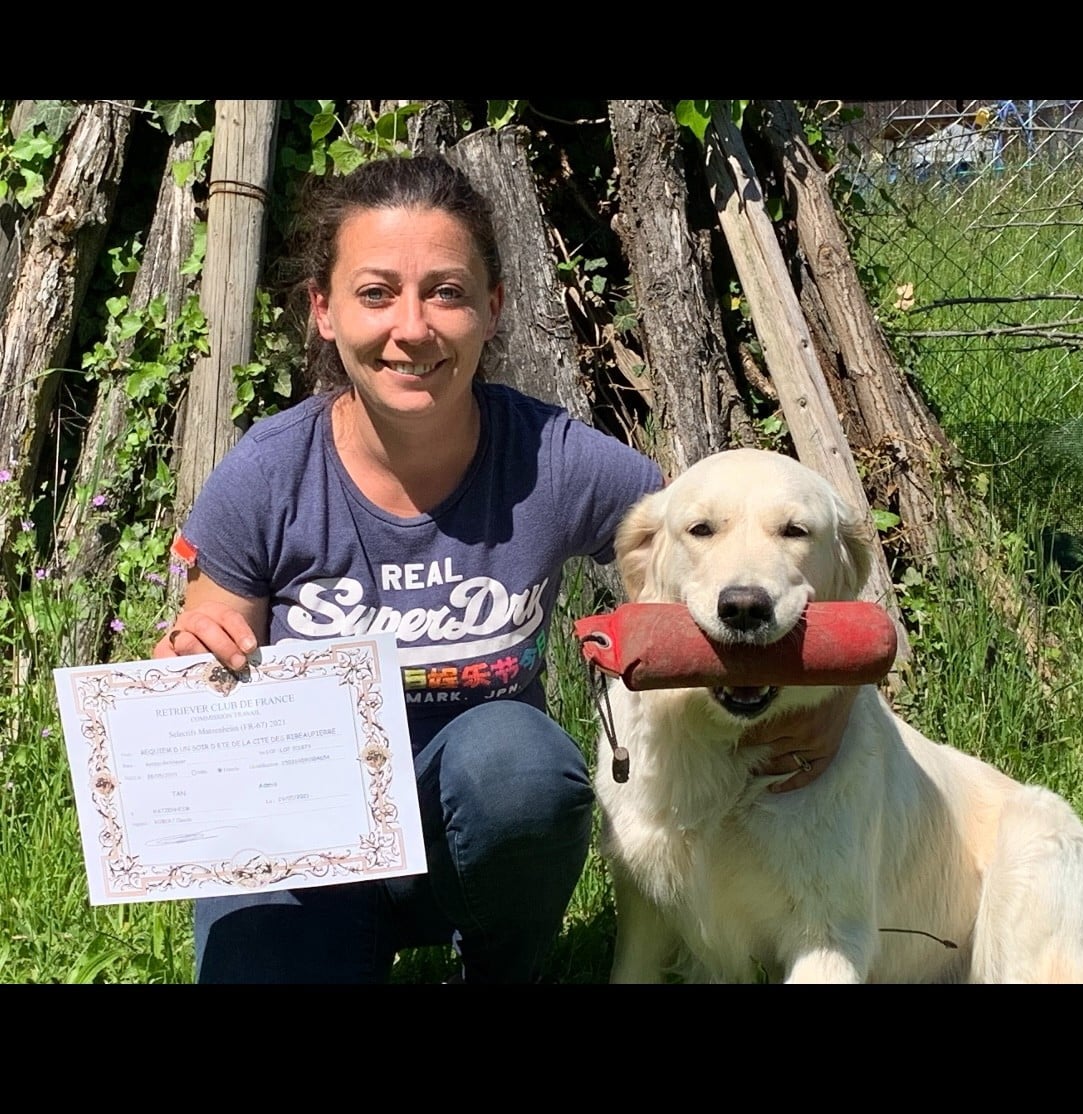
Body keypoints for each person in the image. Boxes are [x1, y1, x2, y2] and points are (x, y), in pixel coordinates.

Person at [154, 154, 854, 983]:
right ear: (324, 311)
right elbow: (213, 664)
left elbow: (715, 550)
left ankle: (493, 968)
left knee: (517, 763)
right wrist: (195, 661)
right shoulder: (266, 475)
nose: (411, 327)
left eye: (445, 292)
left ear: (491, 309)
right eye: (375, 293)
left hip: (478, 825)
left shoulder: (552, 461)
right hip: (310, 838)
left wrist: (826, 700)